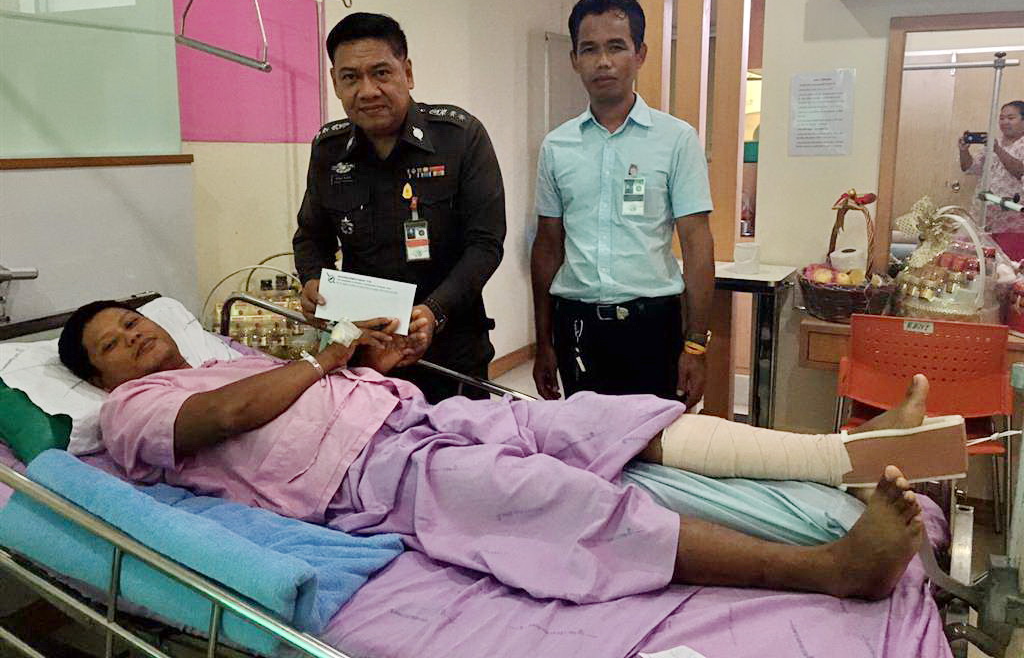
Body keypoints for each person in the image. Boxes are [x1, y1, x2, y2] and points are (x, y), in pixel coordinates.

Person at [59, 299, 956, 604]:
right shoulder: (132, 413)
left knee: (598, 417)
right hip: (380, 478)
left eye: (133, 322)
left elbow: (275, 389)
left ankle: (840, 450)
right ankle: (833, 571)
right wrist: (326, 356)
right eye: (112, 343)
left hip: (419, 418)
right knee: (561, 503)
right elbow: (226, 417)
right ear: (99, 377)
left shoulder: (228, 356)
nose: (134, 338)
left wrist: (364, 364)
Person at [293, 12, 506, 402]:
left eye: (381, 73)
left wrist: (433, 311)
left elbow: (485, 245)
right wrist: (312, 281)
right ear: (335, 82)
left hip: (451, 350)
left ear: (407, 73)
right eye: (350, 77)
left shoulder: (459, 138)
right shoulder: (328, 149)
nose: (368, 90)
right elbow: (311, 236)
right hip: (365, 352)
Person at [531, 0, 714, 403]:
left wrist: (696, 345)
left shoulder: (676, 140)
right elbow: (547, 246)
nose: (603, 61)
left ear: (640, 54)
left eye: (616, 46)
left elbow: (697, 244)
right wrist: (544, 342)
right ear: (574, 59)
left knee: (652, 439)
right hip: (577, 326)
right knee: (582, 437)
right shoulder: (557, 146)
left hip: (652, 327)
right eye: (589, 49)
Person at [958, 100, 1024, 260]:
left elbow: (1020, 171)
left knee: (1008, 265)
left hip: (1011, 222)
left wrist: (997, 150)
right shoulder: (993, 142)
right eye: (1001, 118)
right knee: (974, 261)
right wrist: (963, 151)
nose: (1004, 122)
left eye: (1010, 118)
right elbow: (970, 168)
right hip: (982, 216)